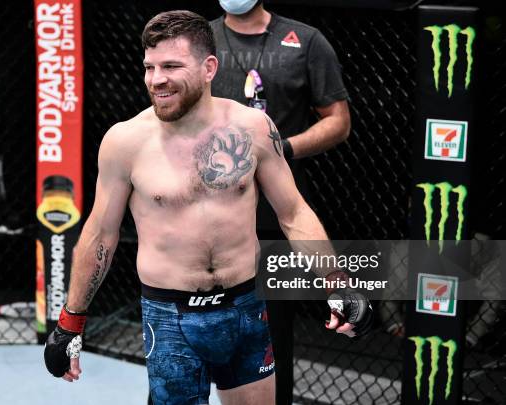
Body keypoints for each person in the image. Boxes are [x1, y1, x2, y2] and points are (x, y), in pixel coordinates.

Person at [44, 10, 371, 405]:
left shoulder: (253, 128)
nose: (156, 79)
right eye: (149, 67)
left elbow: (293, 213)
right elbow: (101, 233)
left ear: (208, 67)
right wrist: (70, 321)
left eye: (170, 66)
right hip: (171, 317)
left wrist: (337, 282)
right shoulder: (125, 141)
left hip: (244, 306)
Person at [209, 1, 351, 404]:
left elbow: (338, 120)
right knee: (191, 338)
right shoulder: (199, 40)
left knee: (271, 347)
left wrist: (279, 150)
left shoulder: (305, 40)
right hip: (206, 216)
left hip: (275, 215)